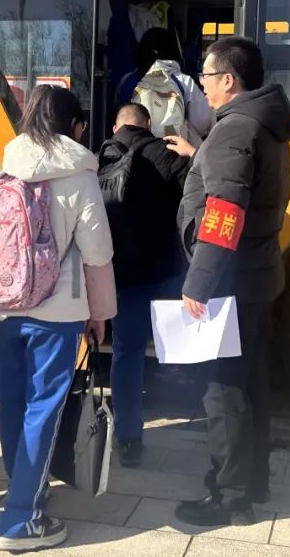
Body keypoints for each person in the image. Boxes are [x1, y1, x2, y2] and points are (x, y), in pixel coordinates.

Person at [0, 85, 116, 552]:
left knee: (13, 403)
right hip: (54, 311)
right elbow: (97, 253)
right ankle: (20, 521)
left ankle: (21, 490)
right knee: (44, 408)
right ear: (75, 127)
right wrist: (100, 314)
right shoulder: (79, 174)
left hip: (1, 305)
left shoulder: (6, 167)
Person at [173, 37, 290, 527]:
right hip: (258, 275)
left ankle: (230, 498)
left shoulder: (233, 132)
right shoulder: (260, 126)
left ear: (228, 80)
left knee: (223, 391)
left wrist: (197, 284)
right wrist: (201, 153)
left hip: (229, 281)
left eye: (205, 77)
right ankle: (253, 480)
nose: (201, 86)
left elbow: (224, 213)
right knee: (252, 385)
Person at [98, 103, 194, 467]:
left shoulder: (100, 156)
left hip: (123, 276)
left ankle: (128, 438)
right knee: (178, 345)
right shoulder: (167, 153)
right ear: (148, 124)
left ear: (116, 125)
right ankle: (186, 406)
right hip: (166, 271)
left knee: (127, 351)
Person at [117, 27, 213, 143]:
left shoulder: (128, 81)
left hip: (137, 149)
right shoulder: (184, 81)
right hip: (174, 151)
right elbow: (202, 122)